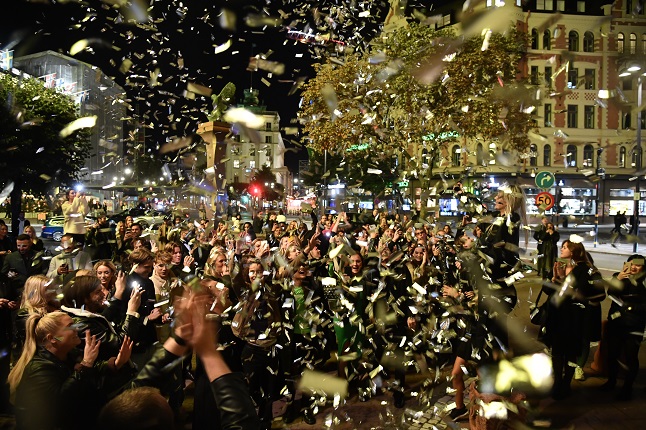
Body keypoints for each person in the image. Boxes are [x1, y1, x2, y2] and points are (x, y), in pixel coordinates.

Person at [8, 312, 133, 430]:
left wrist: (116, 364)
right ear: (52, 338)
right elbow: (61, 404)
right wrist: (86, 363)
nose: (76, 329)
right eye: (70, 327)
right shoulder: (39, 368)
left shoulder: (68, 354)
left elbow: (87, 371)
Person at [542, 240, 602, 399]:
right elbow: (546, 289)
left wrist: (563, 281)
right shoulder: (558, 265)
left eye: (565, 247)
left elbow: (588, 292)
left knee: (570, 352)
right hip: (557, 315)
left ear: (574, 251)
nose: (561, 249)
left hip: (575, 317)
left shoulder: (585, 270)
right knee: (557, 352)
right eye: (561, 246)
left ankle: (566, 383)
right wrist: (554, 280)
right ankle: (557, 383)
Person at [600, 255, 646, 400]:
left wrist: (631, 307)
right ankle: (611, 381)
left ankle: (627, 388)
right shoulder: (618, 277)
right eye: (631, 264)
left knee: (631, 357)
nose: (633, 267)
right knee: (613, 354)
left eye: (638, 265)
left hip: (634, 325)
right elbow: (611, 293)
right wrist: (618, 279)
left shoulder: (643, 282)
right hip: (616, 323)